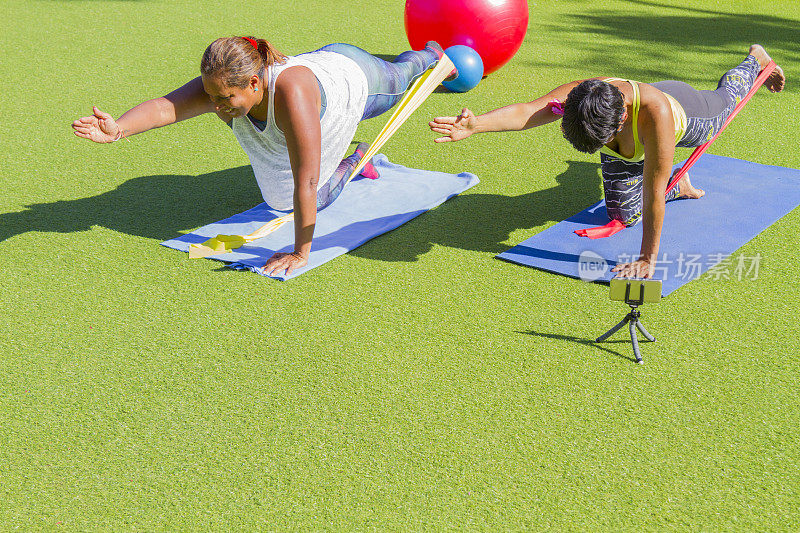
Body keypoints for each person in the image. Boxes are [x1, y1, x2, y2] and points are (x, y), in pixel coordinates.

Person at [73, 37, 446, 276]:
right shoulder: (223, 84)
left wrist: (301, 253)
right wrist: (117, 129)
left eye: (224, 99)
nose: (216, 106)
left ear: (255, 83)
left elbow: (308, 180)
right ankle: (355, 156)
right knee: (281, 201)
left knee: (403, 74)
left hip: (357, 82)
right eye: (211, 97)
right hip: (322, 81)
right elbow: (166, 108)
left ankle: (432, 55)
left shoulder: (291, 95)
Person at [429, 45, 785, 278]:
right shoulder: (585, 94)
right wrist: (476, 125)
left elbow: (654, 193)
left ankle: (755, 60)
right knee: (622, 216)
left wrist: (647, 258)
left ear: (618, 123)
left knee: (724, 102)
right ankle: (684, 182)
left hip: (688, 114)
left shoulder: (655, 116)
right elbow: (529, 111)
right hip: (625, 138)